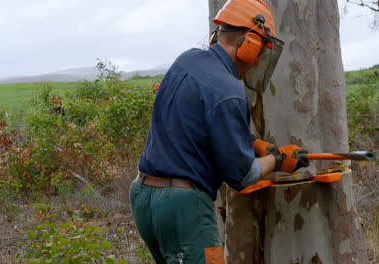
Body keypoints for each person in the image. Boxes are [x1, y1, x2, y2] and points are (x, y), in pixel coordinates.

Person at [129, 0, 308, 263]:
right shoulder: (230, 91)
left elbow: (197, 124)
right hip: (183, 206)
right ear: (249, 45)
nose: (257, 61)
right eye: (259, 53)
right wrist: (279, 160)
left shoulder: (186, 60)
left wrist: (255, 144)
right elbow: (242, 176)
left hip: (143, 197)